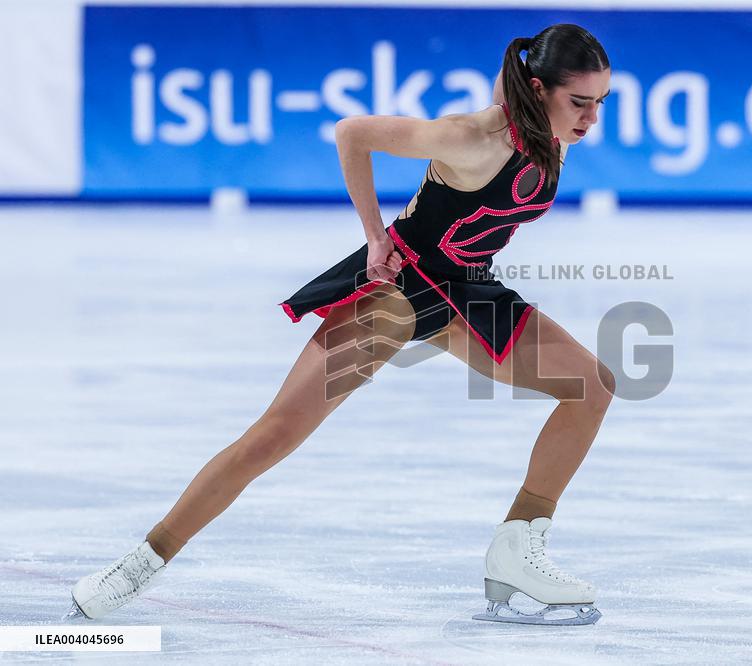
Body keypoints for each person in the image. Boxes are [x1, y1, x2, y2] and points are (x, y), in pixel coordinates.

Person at [69, 24, 614, 626]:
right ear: (539, 92)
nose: (590, 119)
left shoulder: (548, 130)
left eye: (599, 103)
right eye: (580, 102)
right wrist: (376, 235)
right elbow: (352, 133)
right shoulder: (467, 137)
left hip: (468, 291)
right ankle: (142, 562)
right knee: (276, 434)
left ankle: (517, 547)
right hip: (398, 293)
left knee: (590, 387)